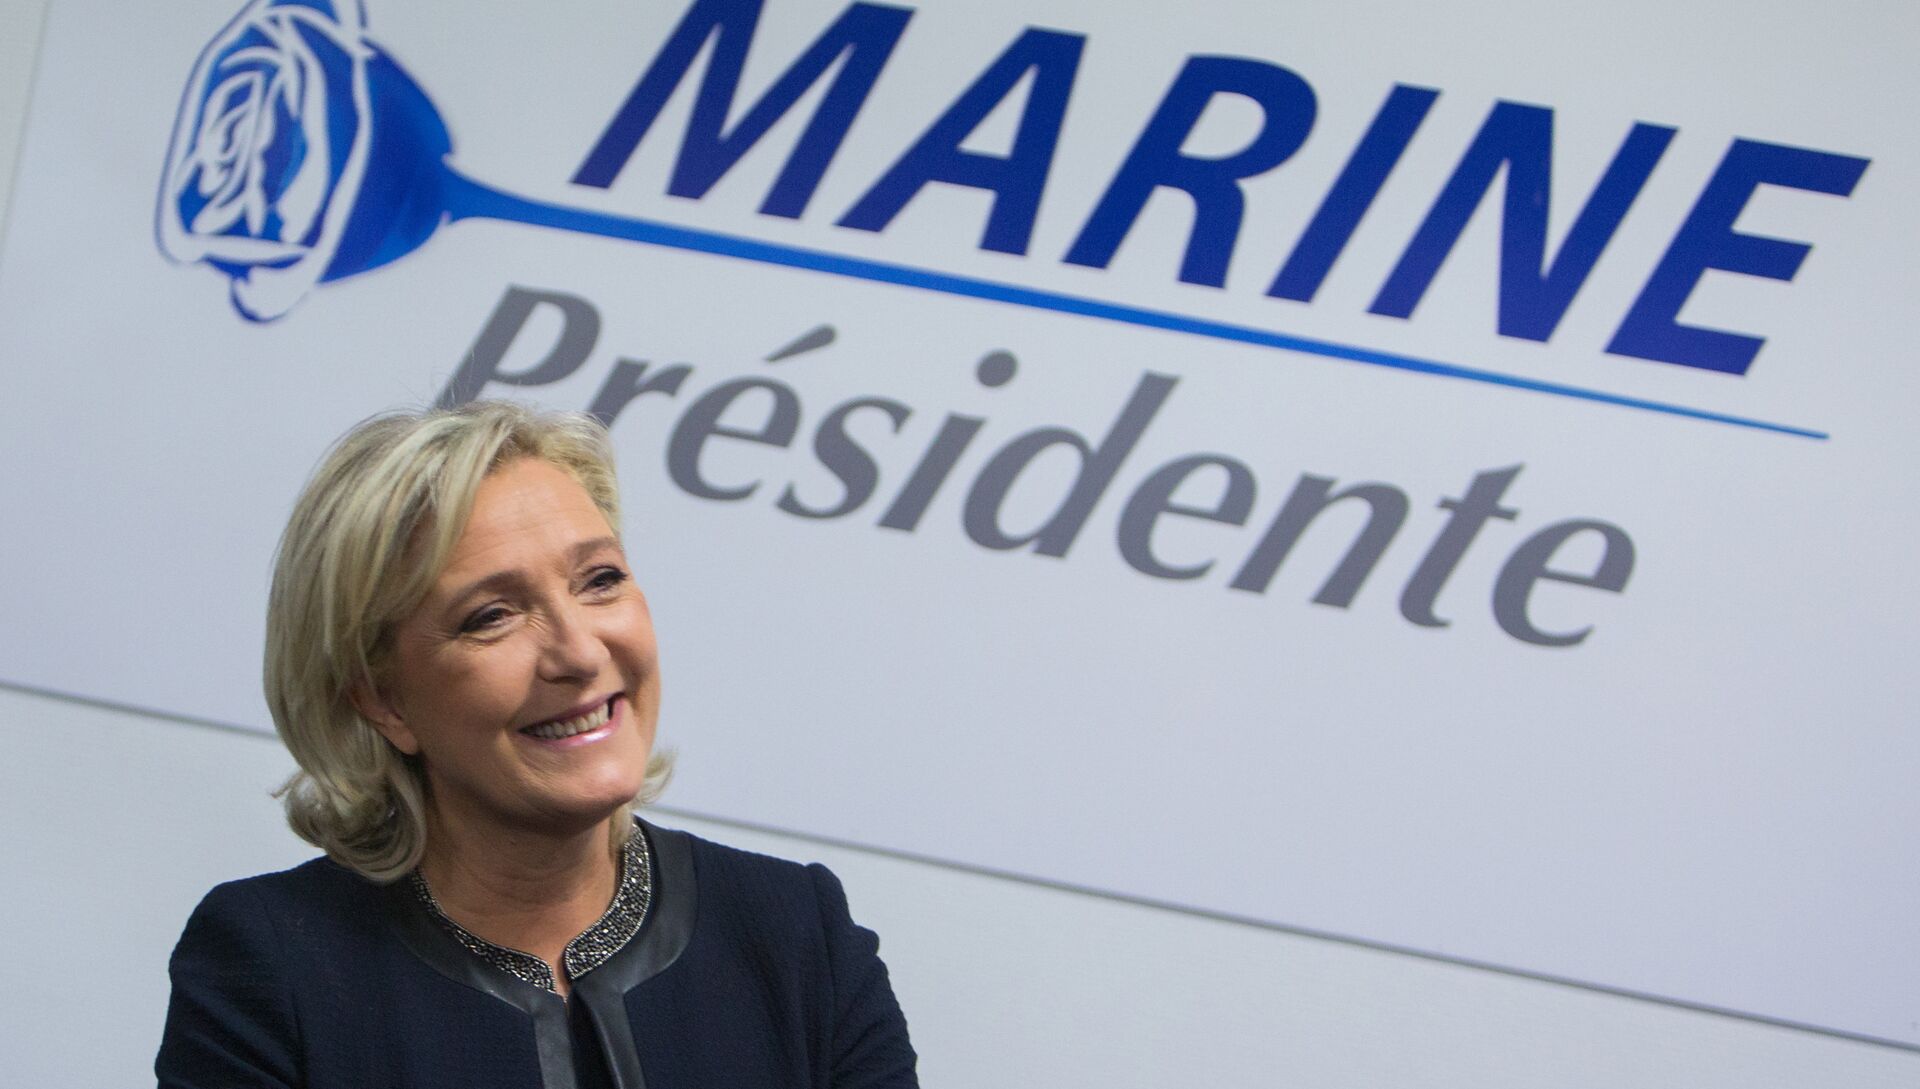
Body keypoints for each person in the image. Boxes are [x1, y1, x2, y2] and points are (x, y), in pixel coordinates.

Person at [155, 401, 918, 1089]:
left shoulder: (798, 934)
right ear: (383, 700)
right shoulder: (271, 966)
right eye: (491, 615)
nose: (580, 652)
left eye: (600, 579)